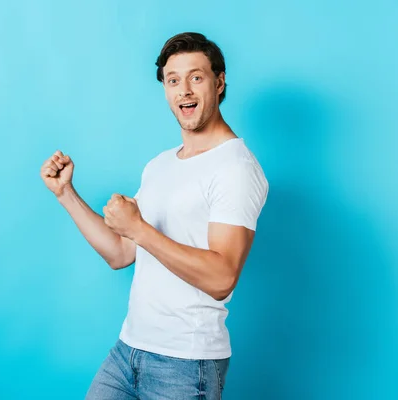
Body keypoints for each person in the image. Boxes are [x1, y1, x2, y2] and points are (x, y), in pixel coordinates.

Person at [40, 32, 269, 400]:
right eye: (173, 80)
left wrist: (141, 230)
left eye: (197, 77)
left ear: (220, 82)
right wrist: (66, 194)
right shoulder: (160, 165)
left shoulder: (235, 167)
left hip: (186, 364)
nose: (185, 91)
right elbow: (120, 253)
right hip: (128, 350)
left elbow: (222, 277)